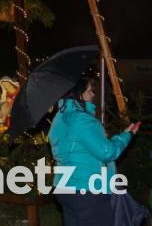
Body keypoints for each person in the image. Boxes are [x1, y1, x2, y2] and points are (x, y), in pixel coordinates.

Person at [49, 76, 140, 225]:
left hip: (65, 187)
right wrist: (126, 136)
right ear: (80, 94)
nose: (93, 94)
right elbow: (107, 152)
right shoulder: (81, 119)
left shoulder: (60, 117)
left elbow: (77, 148)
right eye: (91, 91)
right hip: (87, 190)